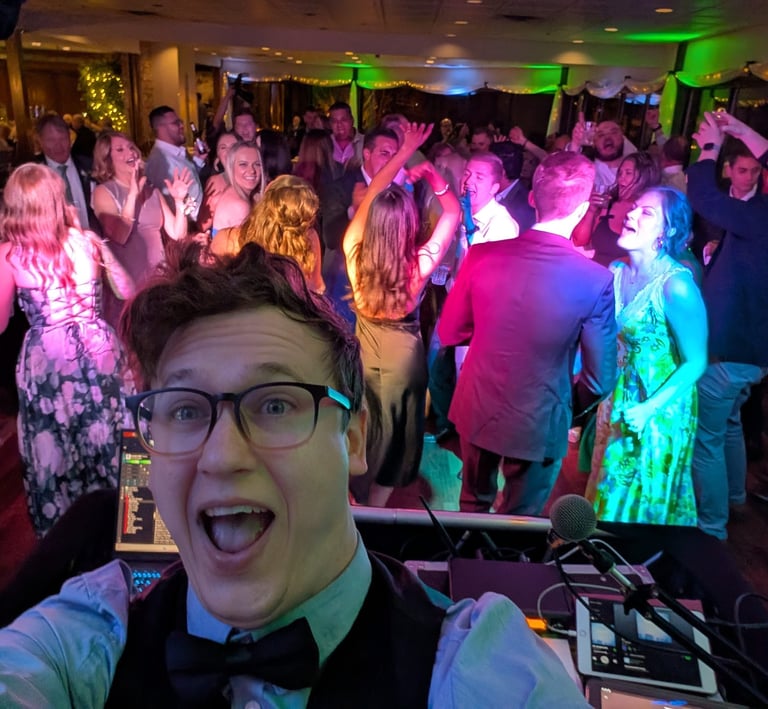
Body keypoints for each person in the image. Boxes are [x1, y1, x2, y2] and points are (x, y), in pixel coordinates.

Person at [0, 243, 589, 708]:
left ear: (354, 437)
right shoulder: (86, 636)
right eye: (184, 408)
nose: (222, 456)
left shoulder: (477, 669)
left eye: (276, 403)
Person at [438, 151, 617, 516]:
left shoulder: (482, 256)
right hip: (541, 414)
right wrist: (564, 408)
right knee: (521, 521)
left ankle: (468, 570)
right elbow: (600, 380)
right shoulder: (596, 279)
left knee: (472, 507)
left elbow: (450, 330)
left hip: (479, 403)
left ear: (533, 198)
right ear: (583, 210)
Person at [0, 164, 129, 536]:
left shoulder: (11, 254)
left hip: (49, 365)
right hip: (99, 351)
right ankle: (132, 539)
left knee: (57, 453)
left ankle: (71, 544)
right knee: (113, 437)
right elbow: (127, 288)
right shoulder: (86, 240)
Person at [343, 123, 461, 506]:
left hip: (362, 354)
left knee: (363, 423)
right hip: (404, 362)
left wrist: (401, 152)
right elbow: (453, 213)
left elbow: (374, 192)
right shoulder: (419, 264)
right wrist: (427, 170)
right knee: (395, 434)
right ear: (409, 223)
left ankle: (353, 501)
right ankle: (376, 508)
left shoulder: (353, 250)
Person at [586, 187, 708, 525]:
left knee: (640, 501)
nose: (631, 214)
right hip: (619, 398)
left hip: (659, 409)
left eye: (646, 213)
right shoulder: (616, 272)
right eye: (634, 208)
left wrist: (649, 409)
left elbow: (697, 361)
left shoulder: (676, 285)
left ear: (666, 231)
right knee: (608, 489)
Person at [687, 111, 768, 540]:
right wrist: (740, 131)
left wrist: (711, 149)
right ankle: (735, 496)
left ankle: (711, 528)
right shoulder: (758, 214)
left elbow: (704, 198)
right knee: (731, 424)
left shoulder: (758, 213)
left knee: (707, 439)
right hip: (752, 357)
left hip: (733, 352)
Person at [91, 131, 193, 328]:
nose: (130, 152)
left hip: (159, 281)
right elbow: (118, 235)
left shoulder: (151, 190)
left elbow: (178, 234)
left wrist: (179, 202)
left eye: (131, 147)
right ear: (107, 159)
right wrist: (132, 196)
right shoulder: (104, 192)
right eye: (120, 149)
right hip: (130, 288)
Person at [210, 174, 325, 293]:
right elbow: (316, 288)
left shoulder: (228, 240)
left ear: (263, 206)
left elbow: (210, 287)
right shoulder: (308, 238)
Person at [572, 151, 660, 266]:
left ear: (645, 177)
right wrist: (591, 211)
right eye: (620, 173)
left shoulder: (653, 213)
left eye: (628, 173)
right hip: (598, 274)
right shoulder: (608, 203)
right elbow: (579, 242)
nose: (620, 179)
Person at [144, 105, 204, 222]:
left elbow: (189, 182)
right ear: (160, 129)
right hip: (191, 227)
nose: (181, 126)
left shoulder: (175, 153)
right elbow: (170, 205)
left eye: (180, 122)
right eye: (176, 123)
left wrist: (198, 160)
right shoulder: (161, 161)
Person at [212, 140, 265, 235]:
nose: (252, 170)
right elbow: (246, 249)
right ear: (231, 167)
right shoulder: (240, 205)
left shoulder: (238, 193)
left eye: (257, 164)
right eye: (243, 164)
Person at [197, 130, 238, 233]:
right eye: (223, 147)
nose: (228, 151)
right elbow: (202, 225)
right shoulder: (215, 182)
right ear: (218, 157)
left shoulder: (253, 178)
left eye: (233, 146)